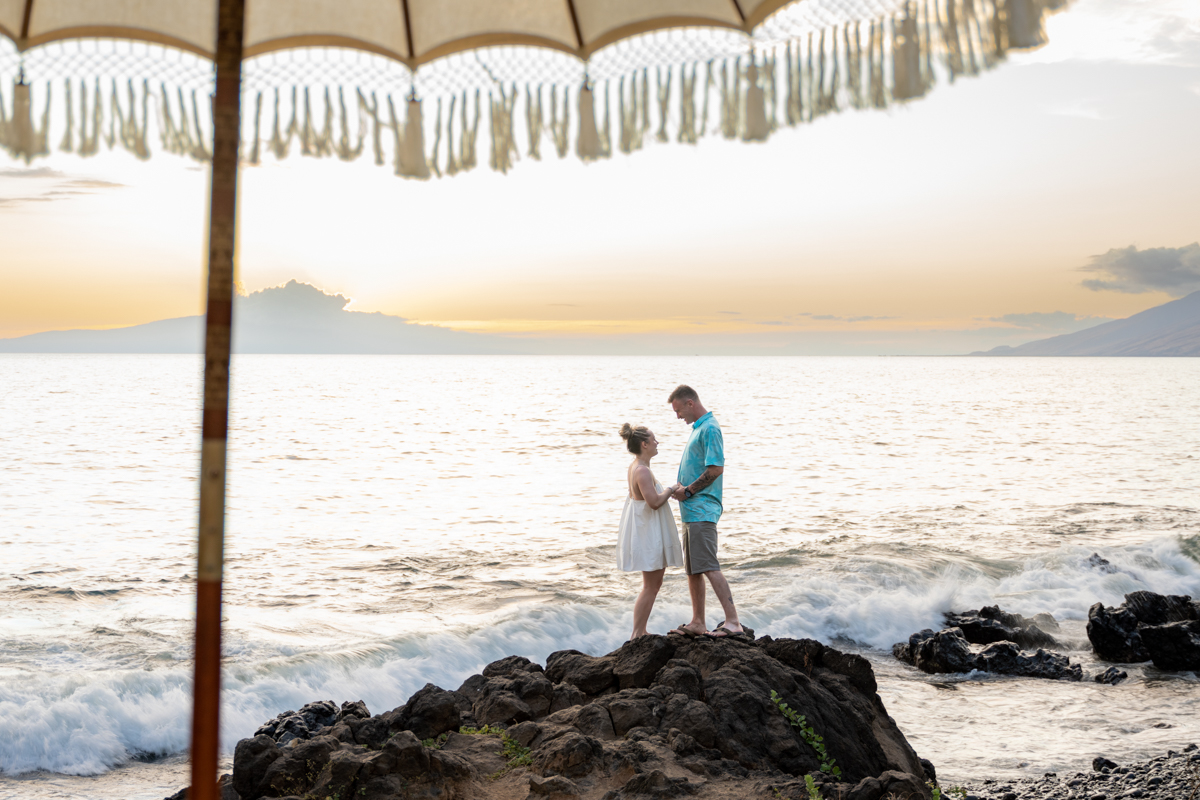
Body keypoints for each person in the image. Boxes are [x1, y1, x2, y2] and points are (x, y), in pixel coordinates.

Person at [668, 385, 744, 638]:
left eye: (679, 410)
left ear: (690, 403)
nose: (678, 416)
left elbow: (715, 469)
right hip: (691, 511)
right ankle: (698, 622)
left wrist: (688, 491)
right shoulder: (698, 429)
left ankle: (733, 622)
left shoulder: (710, 428)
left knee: (709, 566)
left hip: (702, 508)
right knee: (693, 569)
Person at [617, 423, 684, 640]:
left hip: (646, 530)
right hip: (648, 534)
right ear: (644, 444)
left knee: (652, 584)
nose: (657, 443)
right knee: (651, 586)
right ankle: (637, 633)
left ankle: (639, 631)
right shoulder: (642, 470)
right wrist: (671, 489)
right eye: (654, 439)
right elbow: (653, 502)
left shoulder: (636, 466)